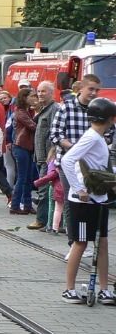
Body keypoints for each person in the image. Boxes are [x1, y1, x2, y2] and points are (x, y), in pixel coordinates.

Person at [59, 97, 116, 304]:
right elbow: (67, 160)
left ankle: (104, 289)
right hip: (83, 201)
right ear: (110, 118)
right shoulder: (92, 137)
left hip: (98, 198)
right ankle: (69, 289)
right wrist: (78, 188)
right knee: (81, 243)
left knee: (102, 243)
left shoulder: (98, 138)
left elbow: (99, 166)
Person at [50, 74, 103, 247]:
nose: (94, 93)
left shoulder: (99, 109)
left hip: (91, 166)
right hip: (69, 163)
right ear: (81, 88)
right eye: (91, 89)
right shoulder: (66, 107)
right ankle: (74, 241)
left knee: (93, 201)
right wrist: (74, 148)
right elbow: (55, 134)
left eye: (97, 90)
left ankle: (90, 239)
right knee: (71, 201)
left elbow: (109, 134)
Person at [29, 81, 59, 231]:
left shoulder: (54, 109)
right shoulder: (43, 109)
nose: (40, 94)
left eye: (43, 91)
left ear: (51, 93)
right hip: (40, 156)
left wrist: (52, 153)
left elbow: (56, 132)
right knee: (44, 189)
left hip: (48, 158)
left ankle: (41, 220)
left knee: (44, 189)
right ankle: (48, 221)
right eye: (39, 91)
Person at [10, 87, 37, 215]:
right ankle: (15, 205)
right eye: (32, 96)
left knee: (27, 177)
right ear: (24, 98)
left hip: (26, 147)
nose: (34, 98)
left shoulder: (27, 111)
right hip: (21, 146)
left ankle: (27, 204)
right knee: (22, 177)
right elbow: (33, 126)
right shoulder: (20, 112)